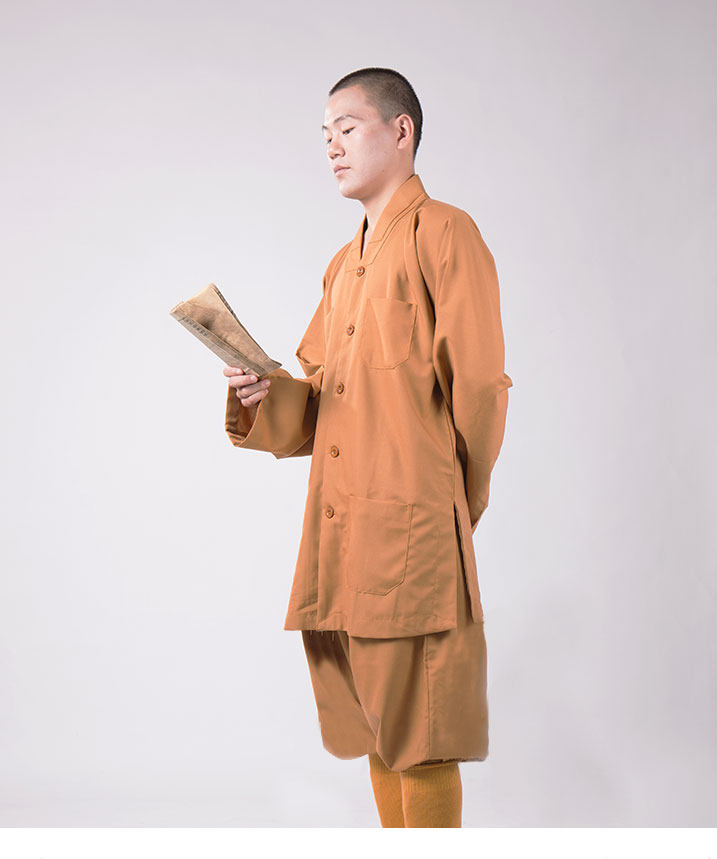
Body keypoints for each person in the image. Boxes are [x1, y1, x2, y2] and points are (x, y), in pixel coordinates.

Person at [223, 67, 512, 827]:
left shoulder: (445, 233)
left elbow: (481, 388)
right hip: (344, 532)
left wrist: (454, 507)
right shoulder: (341, 266)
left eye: (347, 128)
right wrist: (264, 393)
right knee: (380, 726)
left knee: (424, 733)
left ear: (401, 131)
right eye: (325, 135)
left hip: (413, 531)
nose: (332, 146)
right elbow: (323, 402)